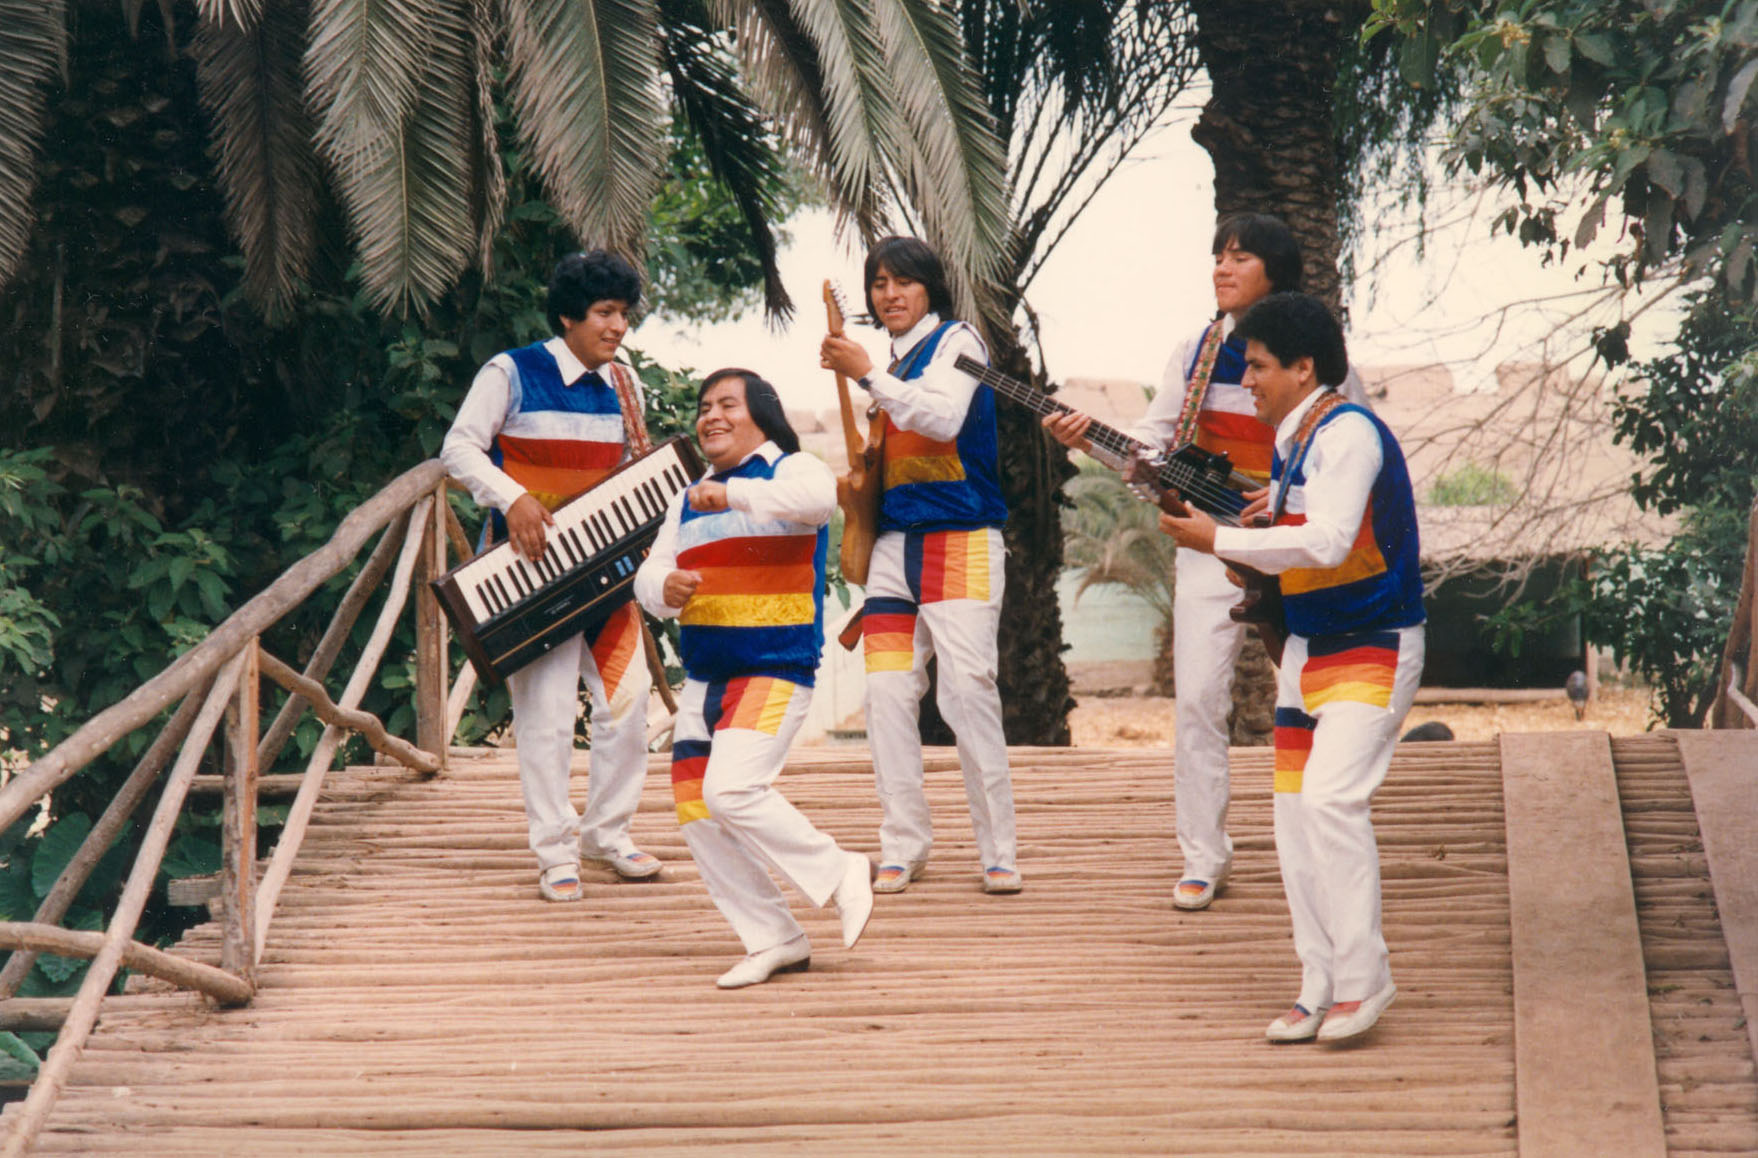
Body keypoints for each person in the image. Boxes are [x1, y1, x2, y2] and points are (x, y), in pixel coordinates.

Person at [1043, 213, 1365, 912]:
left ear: (1274, 275)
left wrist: (1286, 509)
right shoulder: (1193, 351)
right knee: (1196, 700)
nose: (1221, 267)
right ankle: (1202, 856)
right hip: (1205, 543)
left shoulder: (1317, 354)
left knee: (1321, 696)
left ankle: (1323, 845)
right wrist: (1089, 442)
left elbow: (1349, 450)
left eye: (1240, 257)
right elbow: (1152, 447)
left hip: (1298, 548)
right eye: (1218, 255)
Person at [1158, 291, 1424, 1044]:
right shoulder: (1293, 441)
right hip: (1307, 649)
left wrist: (1221, 541)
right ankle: (1319, 981)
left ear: (1306, 368)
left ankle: (1365, 982)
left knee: (1332, 802)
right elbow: (1301, 516)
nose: (1248, 382)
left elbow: (1332, 540)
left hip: (1373, 645)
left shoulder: (1348, 434)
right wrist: (1266, 510)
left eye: (1261, 367)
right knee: (1293, 820)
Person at [633, 368, 874, 988]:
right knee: (698, 811)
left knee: (731, 791)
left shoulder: (793, 469)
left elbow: (818, 505)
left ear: (761, 413)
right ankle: (774, 938)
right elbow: (648, 576)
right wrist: (665, 586)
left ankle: (842, 870)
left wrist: (735, 496)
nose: (710, 415)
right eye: (704, 406)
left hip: (774, 667)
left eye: (727, 404)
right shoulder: (685, 495)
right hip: (705, 678)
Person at [440, 250, 660, 903]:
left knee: (630, 700)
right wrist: (513, 498)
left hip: (606, 572)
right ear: (568, 316)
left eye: (623, 313)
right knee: (547, 713)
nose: (618, 326)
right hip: (530, 572)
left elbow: (635, 467)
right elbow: (458, 449)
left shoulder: (624, 383)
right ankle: (554, 851)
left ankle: (607, 833)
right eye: (603, 313)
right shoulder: (511, 370)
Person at [819, 236, 1020, 896]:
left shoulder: (959, 342)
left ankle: (999, 851)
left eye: (903, 281)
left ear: (929, 286)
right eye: (879, 283)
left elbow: (941, 417)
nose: (890, 293)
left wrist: (866, 374)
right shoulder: (894, 364)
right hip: (892, 551)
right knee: (885, 696)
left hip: (960, 541)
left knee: (968, 696)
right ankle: (903, 844)